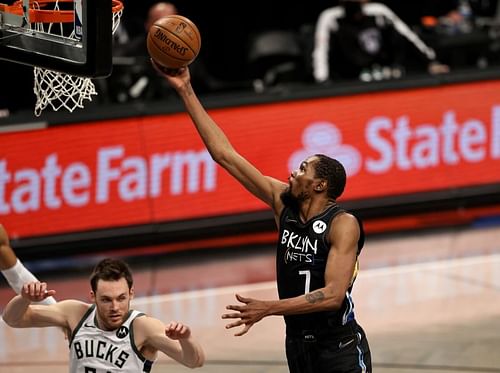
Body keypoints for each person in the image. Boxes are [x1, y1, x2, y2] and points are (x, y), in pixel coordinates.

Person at [155, 63, 371, 372]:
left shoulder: (343, 224)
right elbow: (224, 155)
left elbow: (332, 296)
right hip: (297, 344)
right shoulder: (283, 203)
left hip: (339, 346)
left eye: (301, 170)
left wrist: (269, 307)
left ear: (320, 185)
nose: (292, 174)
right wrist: (185, 89)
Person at [2, 255, 205, 371]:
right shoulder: (74, 314)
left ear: (131, 293)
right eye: (106, 300)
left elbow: (194, 361)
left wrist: (186, 339)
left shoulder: (143, 327)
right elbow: (12, 319)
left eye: (121, 298)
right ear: (93, 296)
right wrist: (25, 297)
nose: (115, 307)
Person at [312, 0, 449, 83]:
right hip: (350, 80)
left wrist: (431, 62)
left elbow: (408, 36)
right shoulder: (330, 18)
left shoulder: (379, 11)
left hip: (383, 76)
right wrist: (322, 80)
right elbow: (320, 51)